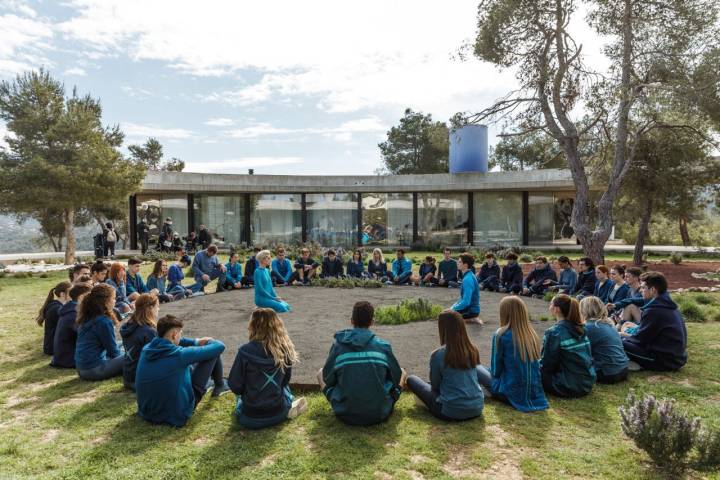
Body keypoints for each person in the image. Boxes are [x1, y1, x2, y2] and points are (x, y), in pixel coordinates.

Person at [135, 315, 229, 427]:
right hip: (177, 414)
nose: (181, 336)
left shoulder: (147, 349)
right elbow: (219, 346)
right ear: (174, 334)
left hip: (147, 412)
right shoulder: (180, 355)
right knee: (211, 354)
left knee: (185, 367)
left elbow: (175, 341)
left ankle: (213, 384)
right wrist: (209, 341)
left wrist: (196, 342)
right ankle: (220, 385)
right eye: (180, 333)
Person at [319, 301, 404, 426]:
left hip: (345, 412)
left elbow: (328, 378)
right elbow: (396, 378)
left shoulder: (338, 346)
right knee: (403, 372)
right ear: (372, 321)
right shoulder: (383, 346)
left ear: (352, 321)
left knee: (320, 373)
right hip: (379, 412)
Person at [229, 308, 308, 429]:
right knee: (284, 388)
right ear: (277, 325)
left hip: (250, 418)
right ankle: (289, 402)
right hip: (278, 414)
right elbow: (285, 381)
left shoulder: (245, 351)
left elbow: (235, 385)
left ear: (253, 326)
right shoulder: (285, 349)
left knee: (240, 398)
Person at [407, 310, 485, 421]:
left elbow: (435, 385)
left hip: (450, 411)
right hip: (477, 407)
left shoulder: (438, 354)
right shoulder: (473, 349)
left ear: (442, 329)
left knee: (412, 379)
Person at [476, 296, 548, 412]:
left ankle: (480, 391)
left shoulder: (501, 334)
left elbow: (496, 371)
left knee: (476, 367)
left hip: (509, 393)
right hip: (534, 393)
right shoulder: (532, 334)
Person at [621, 272, 687, 372]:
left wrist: (621, 336)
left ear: (653, 290)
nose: (641, 291)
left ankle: (632, 364)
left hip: (664, 361)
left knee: (617, 342)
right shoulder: (667, 304)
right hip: (677, 357)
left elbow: (639, 340)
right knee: (627, 326)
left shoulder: (654, 310)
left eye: (643, 288)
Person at [540, 294, 596, 397]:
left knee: (529, 369)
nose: (549, 306)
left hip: (566, 386)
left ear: (556, 309)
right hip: (587, 382)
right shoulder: (581, 328)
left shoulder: (554, 333)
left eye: (551, 303)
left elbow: (547, 364)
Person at [74, 284, 125, 381]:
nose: (115, 301)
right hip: (94, 370)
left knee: (123, 345)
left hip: (81, 369)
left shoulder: (87, 316)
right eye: (113, 298)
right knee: (134, 355)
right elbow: (113, 352)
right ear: (106, 302)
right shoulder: (104, 321)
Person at [580, 296, 629, 383]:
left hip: (607, 374)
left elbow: (579, 351)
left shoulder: (589, 327)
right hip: (624, 369)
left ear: (584, 310)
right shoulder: (609, 324)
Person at [121, 293, 161, 390]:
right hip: (140, 380)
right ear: (150, 308)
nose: (158, 309)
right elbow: (157, 358)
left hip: (128, 377)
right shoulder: (149, 331)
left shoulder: (127, 325)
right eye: (157, 307)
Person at [51, 283, 92, 368]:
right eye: (90, 297)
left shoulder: (70, 310)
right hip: (69, 360)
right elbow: (87, 337)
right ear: (81, 297)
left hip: (63, 357)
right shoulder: (74, 314)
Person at [37, 281, 72, 356]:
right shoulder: (57, 308)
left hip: (52, 345)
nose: (72, 295)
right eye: (70, 292)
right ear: (62, 294)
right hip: (53, 347)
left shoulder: (56, 305)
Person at [451, 253, 482, 325]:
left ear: (465, 265)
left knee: (447, 318)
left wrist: (452, 310)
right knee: (449, 311)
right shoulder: (469, 275)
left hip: (471, 311)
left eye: (459, 262)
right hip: (471, 309)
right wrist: (453, 307)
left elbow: (466, 302)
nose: (457, 263)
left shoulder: (467, 279)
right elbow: (463, 299)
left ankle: (471, 319)